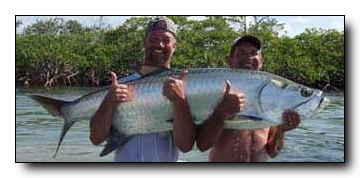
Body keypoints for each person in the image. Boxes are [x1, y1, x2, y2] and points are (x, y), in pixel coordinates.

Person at [89, 17, 195, 162]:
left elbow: (185, 146)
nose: (159, 44)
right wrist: (107, 103)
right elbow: (96, 138)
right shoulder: (120, 86)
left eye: (166, 40)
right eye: (153, 39)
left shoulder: (184, 87)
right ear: (144, 42)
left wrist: (180, 101)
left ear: (175, 46)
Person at [196, 35, 301, 162]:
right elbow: (202, 145)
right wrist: (222, 111)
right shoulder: (216, 92)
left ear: (261, 61)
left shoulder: (271, 98)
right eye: (241, 53)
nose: (248, 58)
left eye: (253, 53)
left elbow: (272, 152)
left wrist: (281, 130)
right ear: (230, 61)